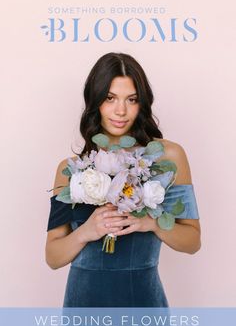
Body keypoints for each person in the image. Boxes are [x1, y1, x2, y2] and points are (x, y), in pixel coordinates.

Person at [46, 52, 201, 307]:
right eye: (110, 98)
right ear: (95, 101)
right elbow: (52, 256)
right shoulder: (70, 169)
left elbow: (193, 241)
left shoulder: (168, 157)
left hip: (143, 300)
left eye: (132, 99)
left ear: (143, 103)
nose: (121, 111)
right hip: (83, 304)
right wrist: (87, 231)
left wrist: (152, 224)